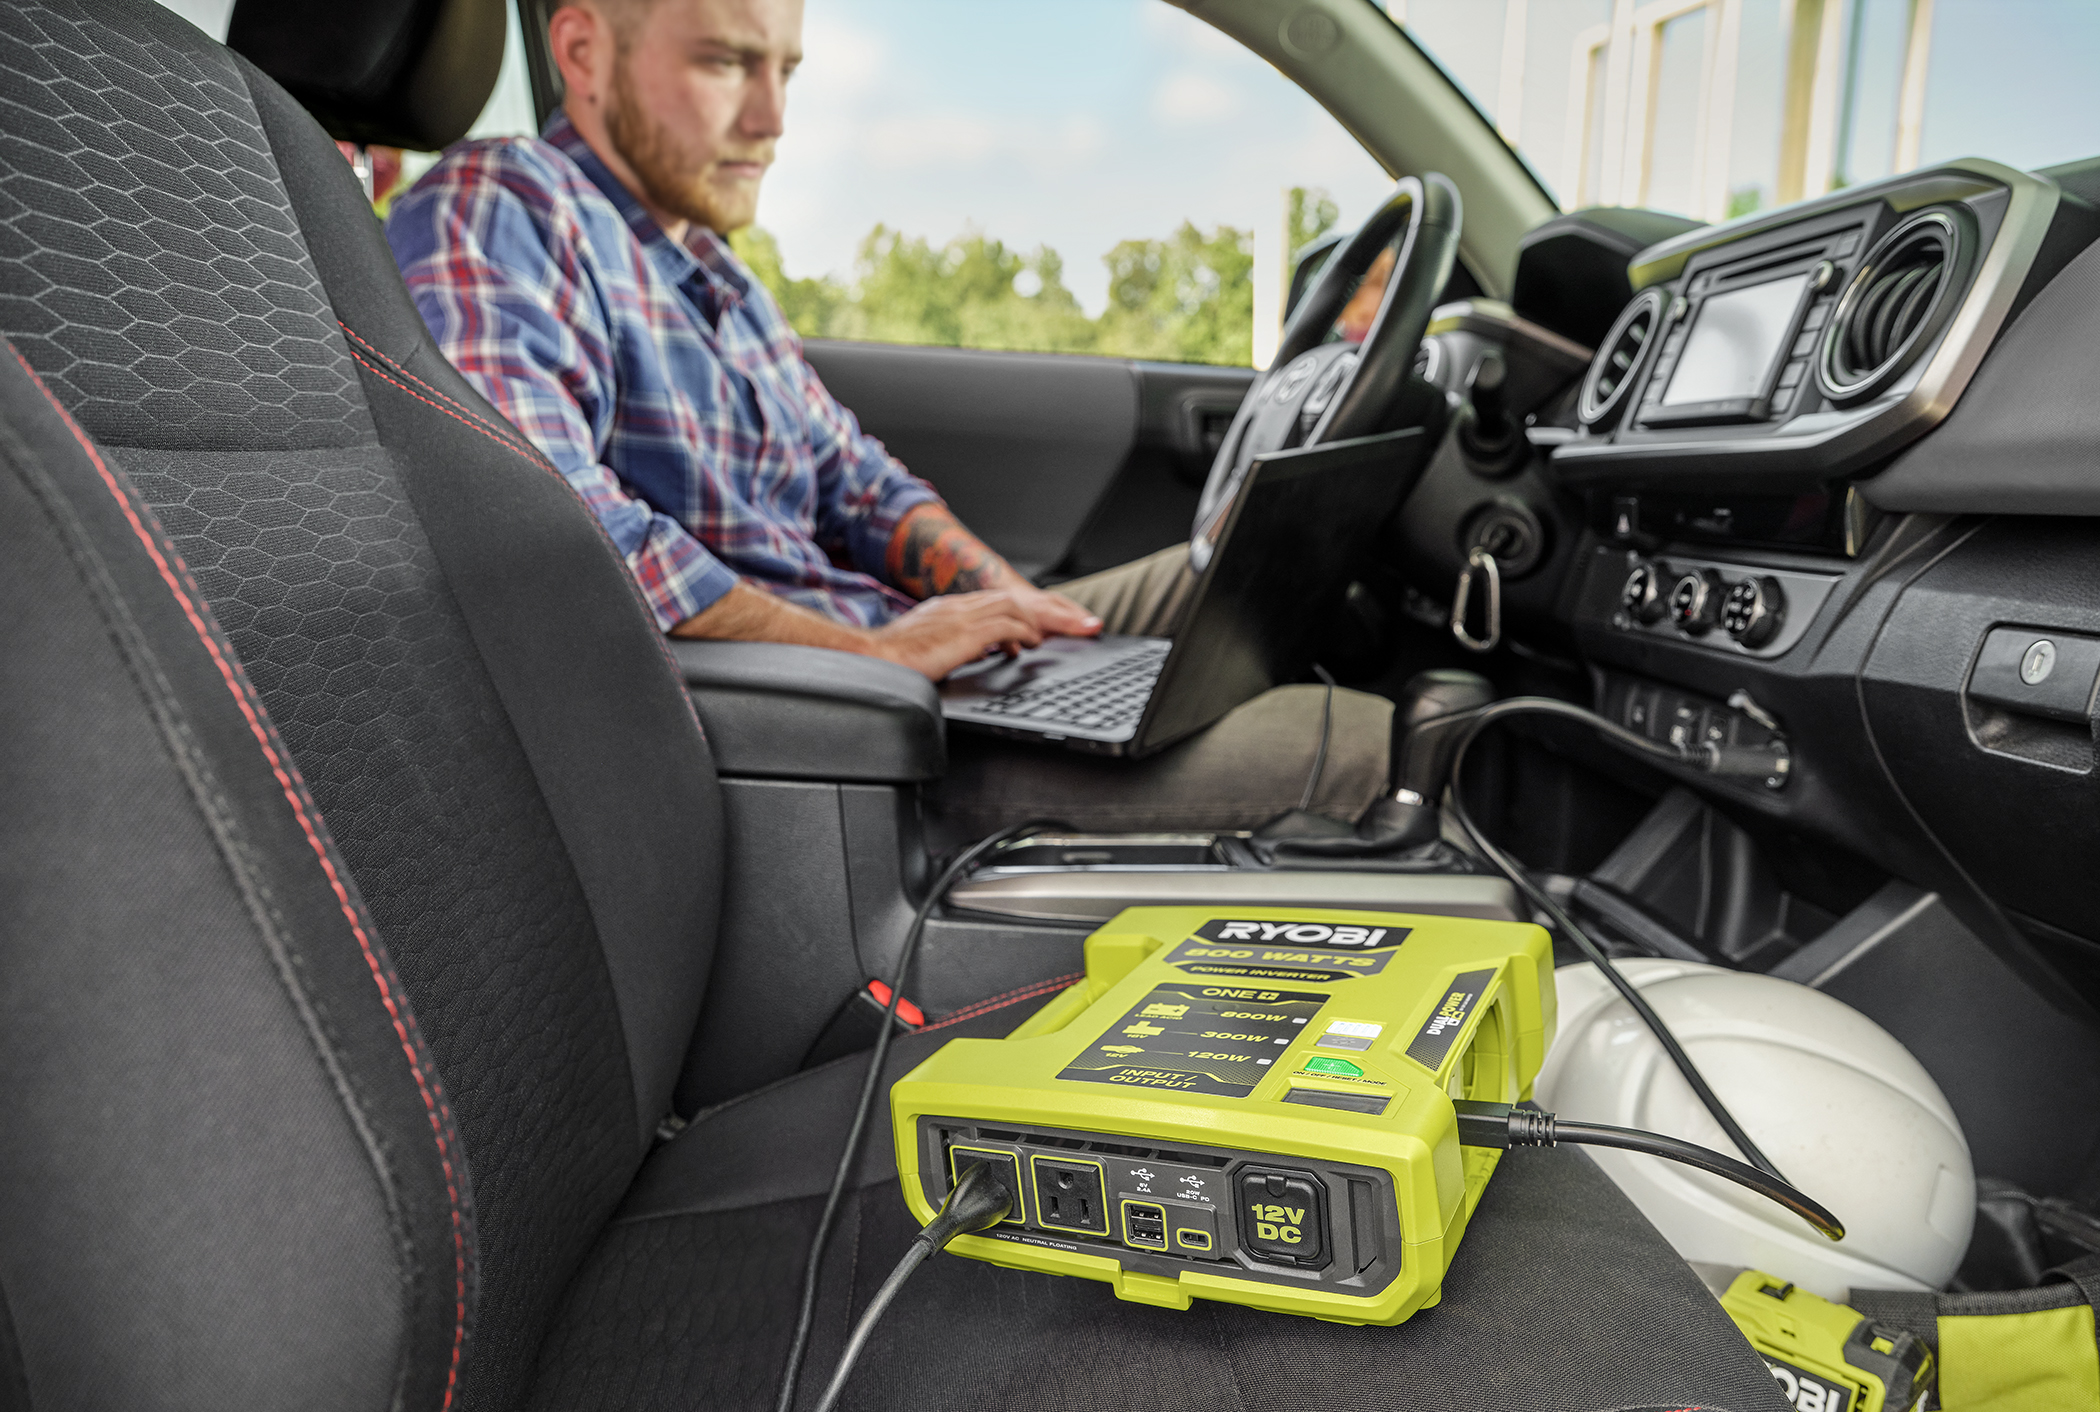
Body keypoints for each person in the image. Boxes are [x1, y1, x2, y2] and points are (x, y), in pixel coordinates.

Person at [385, 0, 1392, 840]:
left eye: (787, 70)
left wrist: (1016, 611)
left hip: (884, 672)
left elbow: (859, 483)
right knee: (1360, 743)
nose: (772, 119)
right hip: (830, 743)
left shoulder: (715, 276)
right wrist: (870, 658)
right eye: (729, 63)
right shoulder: (502, 207)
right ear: (583, 52)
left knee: (1238, 569)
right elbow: (552, 528)